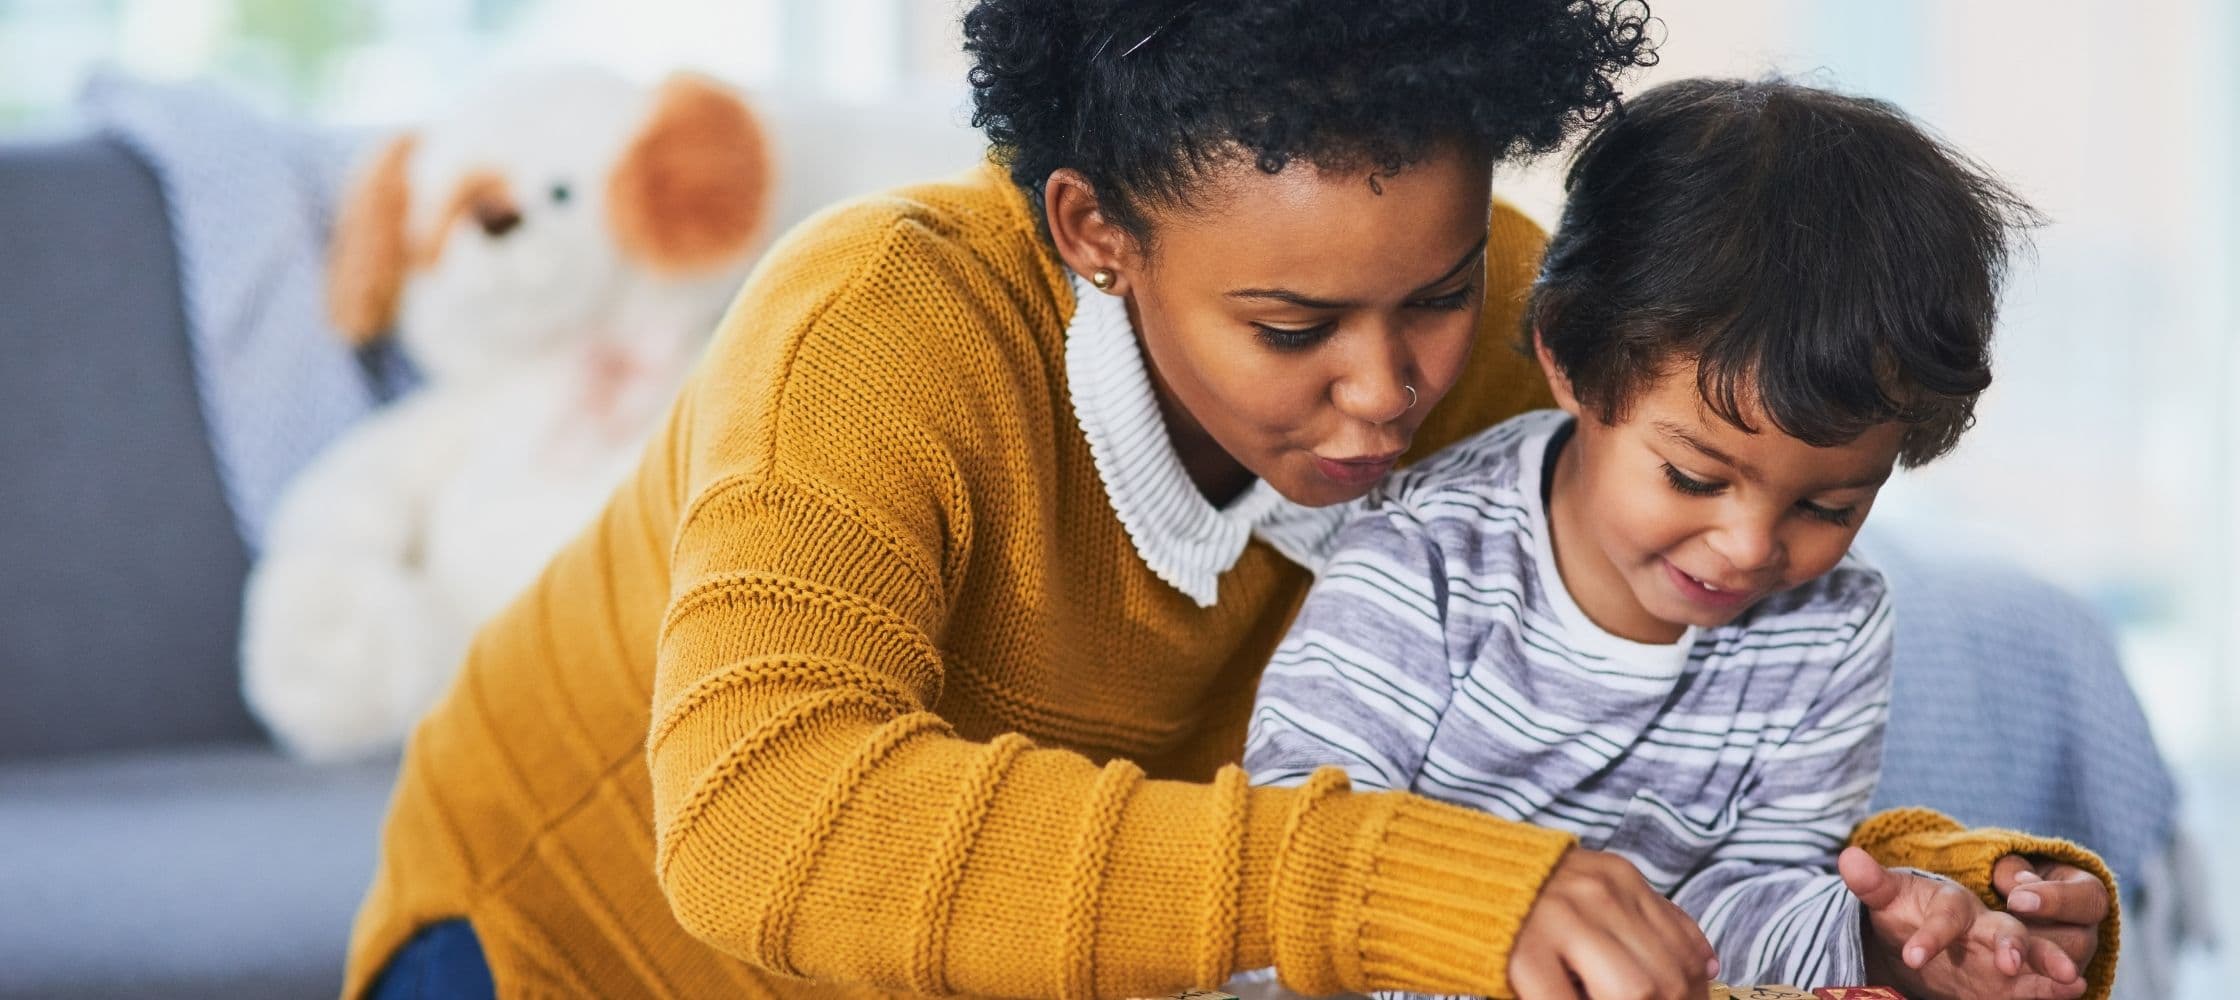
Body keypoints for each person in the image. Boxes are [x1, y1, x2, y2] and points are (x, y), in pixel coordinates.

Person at [344, 3, 2117, 998]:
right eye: (1290, 326)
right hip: (571, 937)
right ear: (1092, 232)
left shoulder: (1519, 335)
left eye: (1433, 293)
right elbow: (758, 822)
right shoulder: (877, 330)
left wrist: (1934, 894)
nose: (1394, 386)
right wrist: (1376, 880)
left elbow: (1645, 739)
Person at [1244, 76, 2082, 998]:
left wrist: (1878, 939)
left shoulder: (1833, 628)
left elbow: (1744, 904)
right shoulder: (1424, 562)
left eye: (1829, 507)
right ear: (1571, 357)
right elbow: (1307, 857)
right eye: (1694, 478)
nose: (1750, 547)